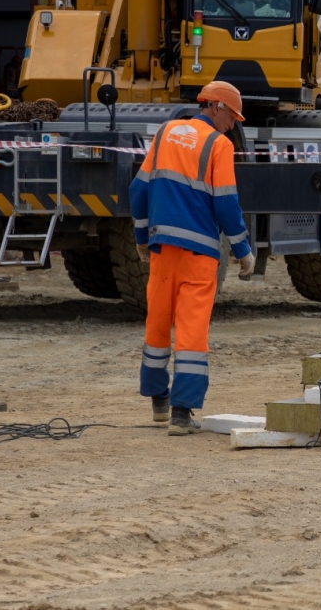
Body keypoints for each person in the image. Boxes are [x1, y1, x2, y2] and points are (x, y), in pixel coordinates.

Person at [131, 80, 256, 435]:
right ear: (215, 107)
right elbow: (226, 203)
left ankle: (159, 403)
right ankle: (181, 415)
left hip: (161, 249)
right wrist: (243, 250)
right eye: (232, 116)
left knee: (157, 324)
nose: (233, 124)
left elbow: (138, 188)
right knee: (191, 330)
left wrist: (141, 236)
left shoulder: (167, 131)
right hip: (199, 252)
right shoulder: (219, 145)